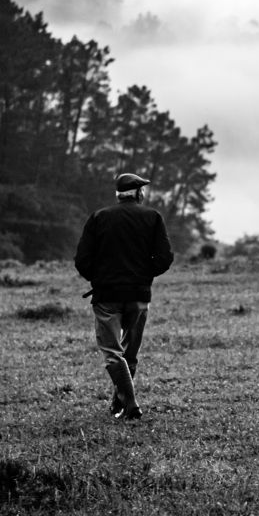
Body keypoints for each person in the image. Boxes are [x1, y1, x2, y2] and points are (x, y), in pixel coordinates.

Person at [74, 173, 174, 420]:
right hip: (139, 295)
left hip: (107, 295)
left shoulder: (99, 217)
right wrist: (143, 274)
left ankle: (128, 404)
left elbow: (82, 261)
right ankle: (123, 404)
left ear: (118, 195)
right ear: (139, 193)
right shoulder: (153, 217)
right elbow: (165, 258)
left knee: (112, 353)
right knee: (129, 353)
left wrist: (98, 279)